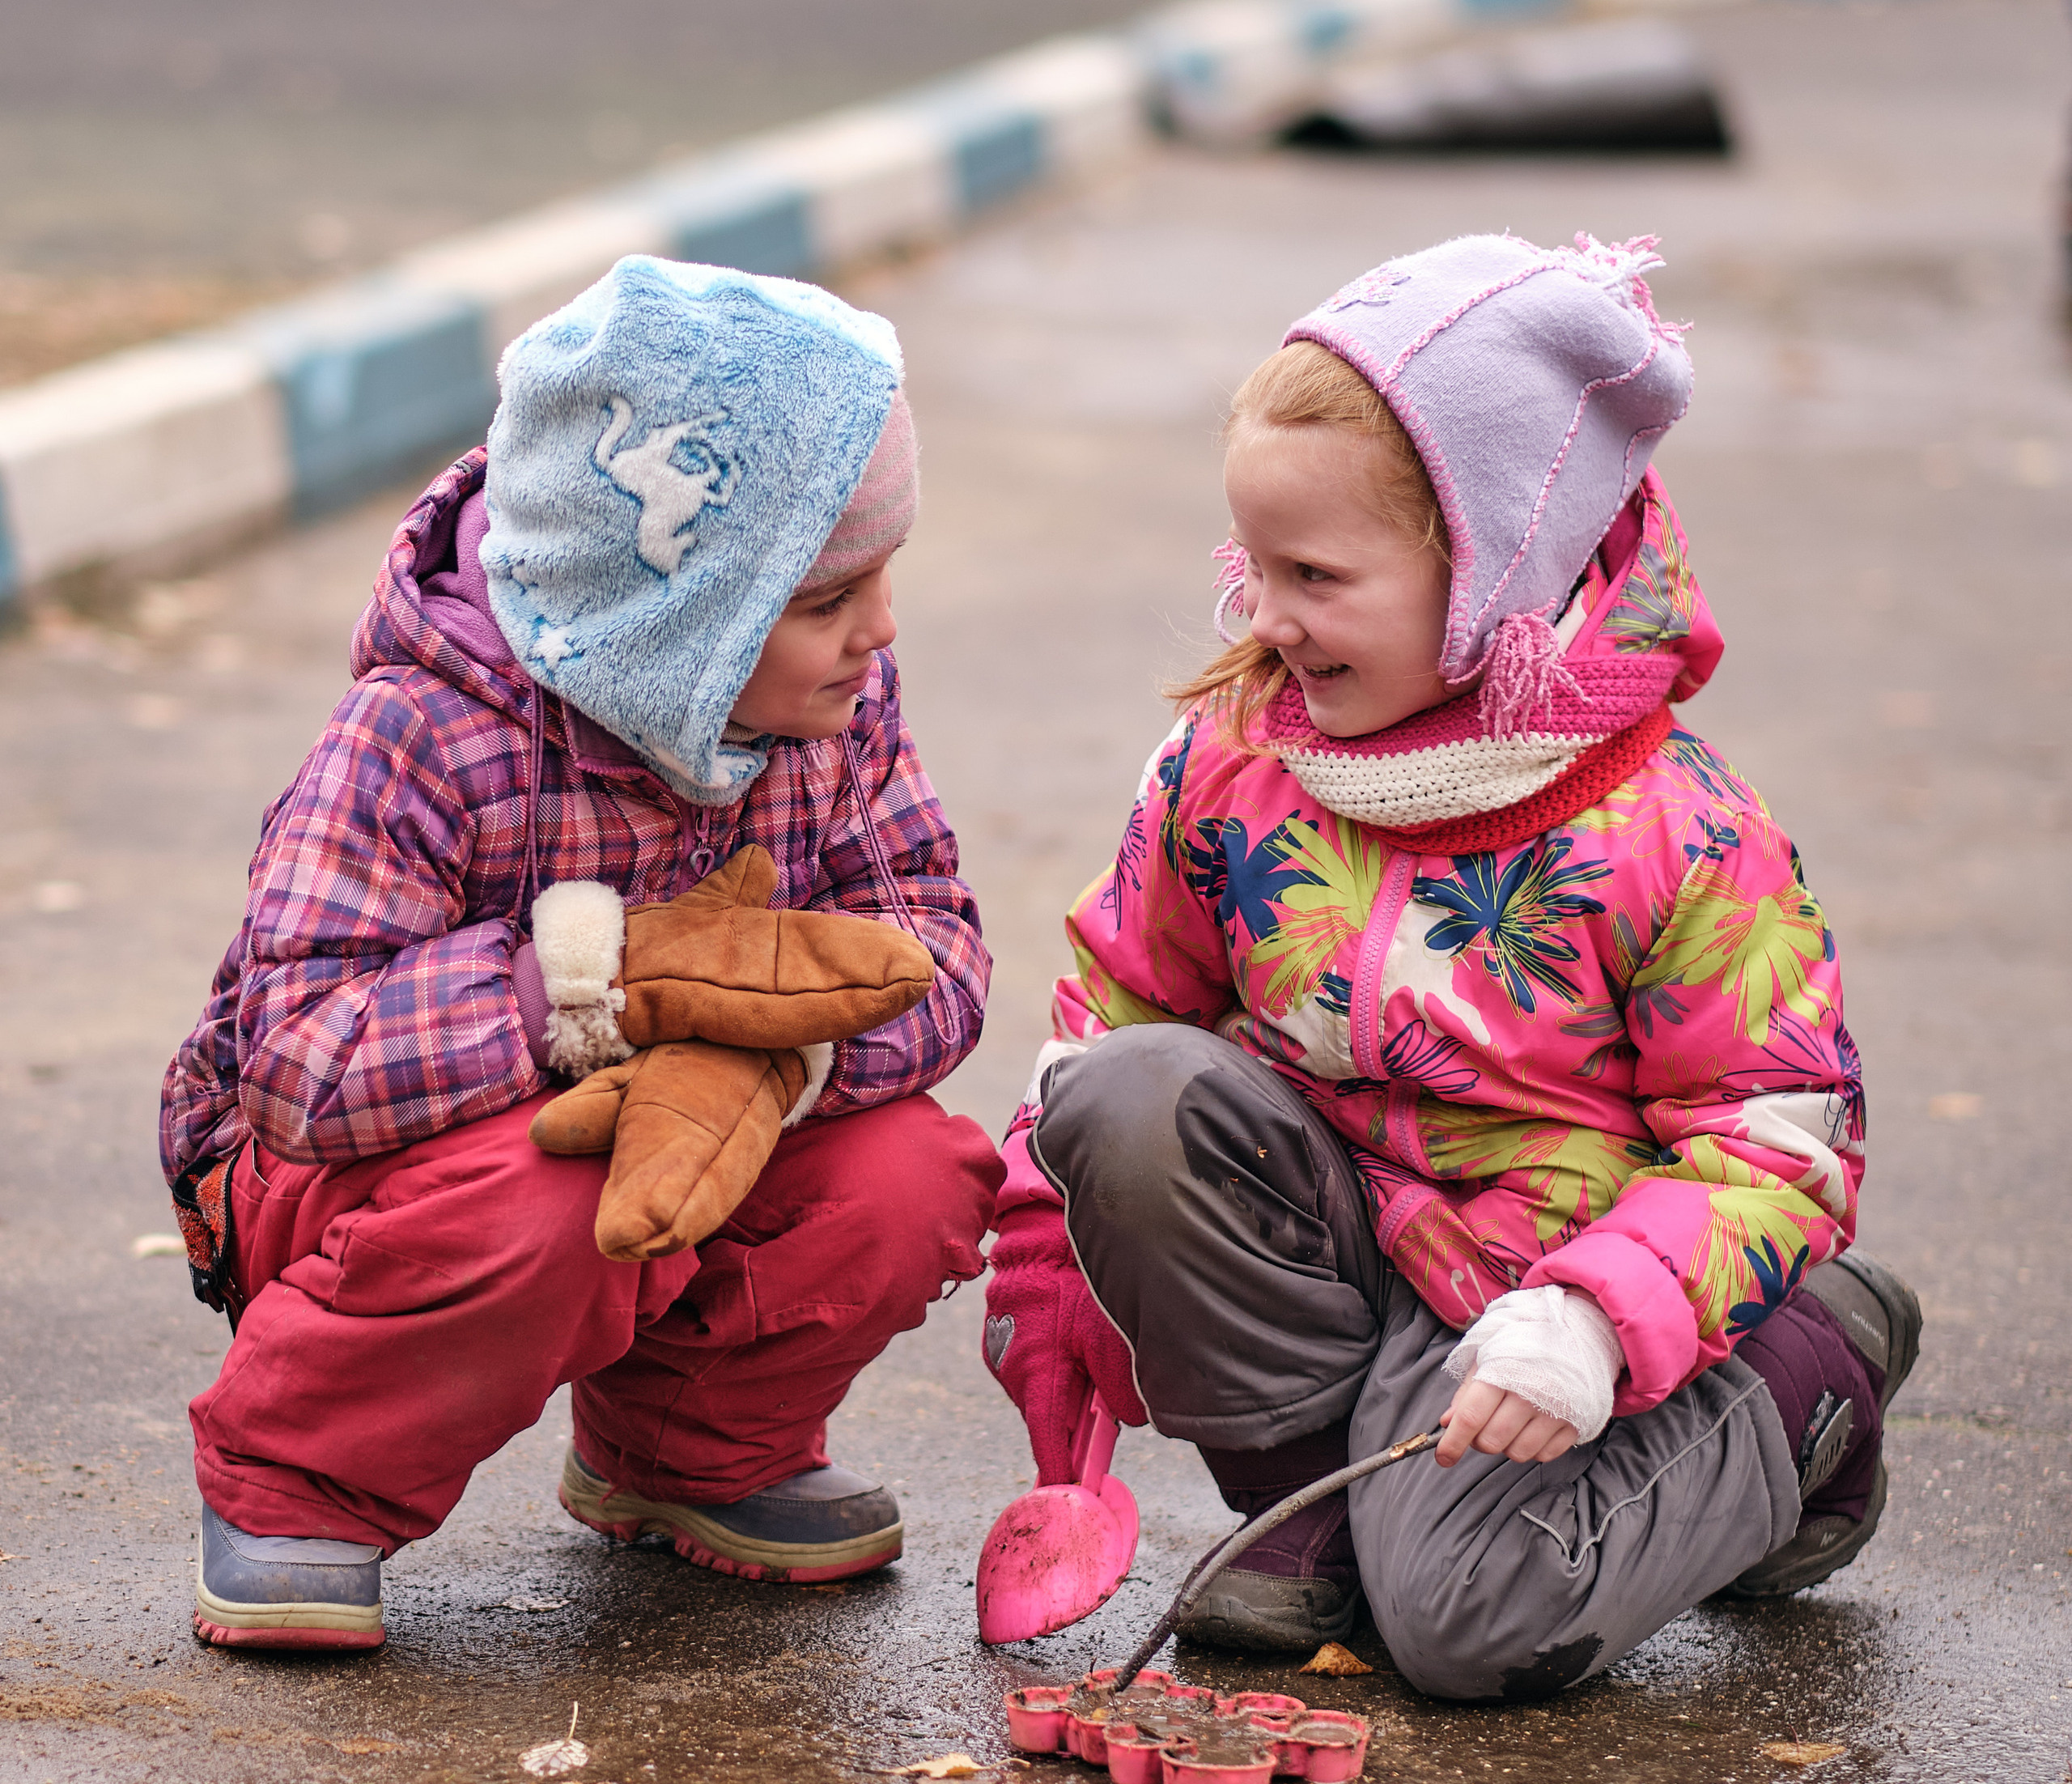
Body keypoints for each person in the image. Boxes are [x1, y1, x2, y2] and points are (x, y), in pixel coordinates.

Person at [979, 233, 1918, 1700]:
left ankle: (1808, 1385)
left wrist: (1599, 1321)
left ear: (1491, 567)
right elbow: (1122, 1003)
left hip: (1547, 1281)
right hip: (1347, 1227)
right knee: (1127, 1096)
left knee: (1473, 1625)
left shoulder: (1677, 831)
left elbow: (1775, 1140)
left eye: (1315, 574)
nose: (1264, 618)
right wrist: (1049, 1248)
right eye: (1252, 564)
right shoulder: (1235, 761)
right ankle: (1313, 1514)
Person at [162, 257, 1003, 1650]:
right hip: (343, 1185)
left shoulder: (832, 711)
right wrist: (605, 986)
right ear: (673, 618)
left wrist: (766, 1056)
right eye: (823, 599)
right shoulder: (420, 736)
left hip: (667, 1151)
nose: (882, 629)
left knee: (912, 1174)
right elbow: (296, 1063)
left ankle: (685, 1450)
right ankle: (298, 1475)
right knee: (556, 1195)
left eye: (883, 576)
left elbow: (933, 939)